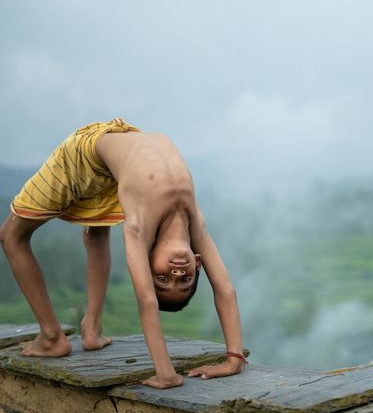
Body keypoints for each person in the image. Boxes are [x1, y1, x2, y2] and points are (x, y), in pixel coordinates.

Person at [0, 118, 245, 389]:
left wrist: (166, 374)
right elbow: (225, 289)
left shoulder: (138, 228)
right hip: (111, 144)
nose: (176, 273)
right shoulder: (194, 222)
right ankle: (89, 328)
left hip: (86, 155)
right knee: (95, 228)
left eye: (163, 279)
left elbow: (146, 300)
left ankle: (52, 337)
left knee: (11, 236)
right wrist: (233, 359)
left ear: (147, 258)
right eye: (184, 280)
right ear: (197, 264)